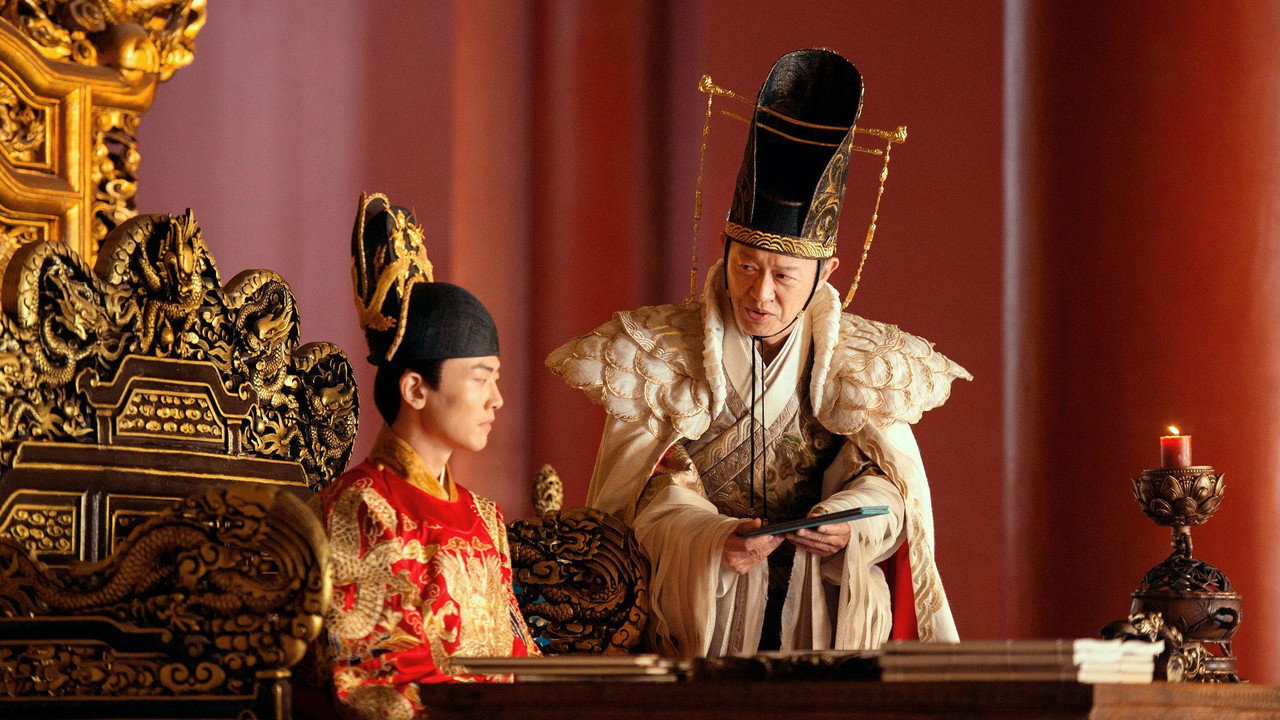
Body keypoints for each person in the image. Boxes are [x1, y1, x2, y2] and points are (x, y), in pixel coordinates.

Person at [547, 49, 969, 657]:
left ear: (825, 272)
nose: (760, 293)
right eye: (746, 266)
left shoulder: (864, 366)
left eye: (784, 275)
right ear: (725, 251)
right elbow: (639, 498)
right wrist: (711, 538)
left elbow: (891, 492)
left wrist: (850, 521)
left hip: (825, 616)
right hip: (701, 615)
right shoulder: (660, 356)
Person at [315, 193, 538, 720]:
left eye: (496, 379)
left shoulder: (486, 517)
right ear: (416, 389)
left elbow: (518, 658)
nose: (496, 400)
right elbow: (374, 670)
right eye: (480, 379)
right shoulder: (364, 507)